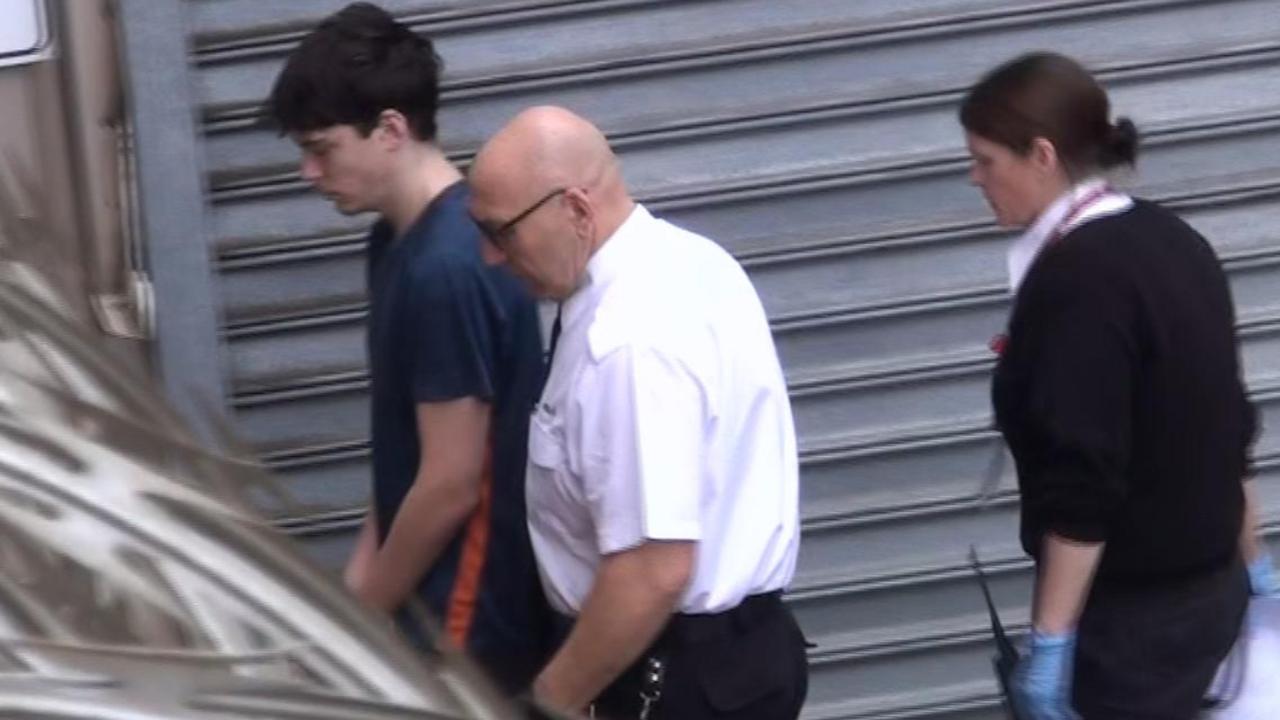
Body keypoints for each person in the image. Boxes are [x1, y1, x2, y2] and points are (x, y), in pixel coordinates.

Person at [960, 51, 1277, 719]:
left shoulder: (1077, 283)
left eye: (987, 160)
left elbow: (1084, 483)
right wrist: (1256, 568)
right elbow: (1226, 426)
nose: (975, 177)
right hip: (1209, 595)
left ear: (1041, 155)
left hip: (1131, 628)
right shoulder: (1173, 239)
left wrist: (1052, 642)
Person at [467, 106, 809, 719]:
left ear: (575, 209)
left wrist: (547, 704)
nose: (491, 258)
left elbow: (653, 570)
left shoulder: (628, 343)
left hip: (670, 676)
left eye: (501, 233)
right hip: (727, 661)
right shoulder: (689, 259)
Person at [266, 2, 548, 692]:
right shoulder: (395, 243)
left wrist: (362, 617)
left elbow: (450, 483)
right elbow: (410, 461)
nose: (308, 171)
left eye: (321, 147)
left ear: (390, 129)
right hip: (435, 615)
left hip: (475, 627)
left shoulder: (446, 266)